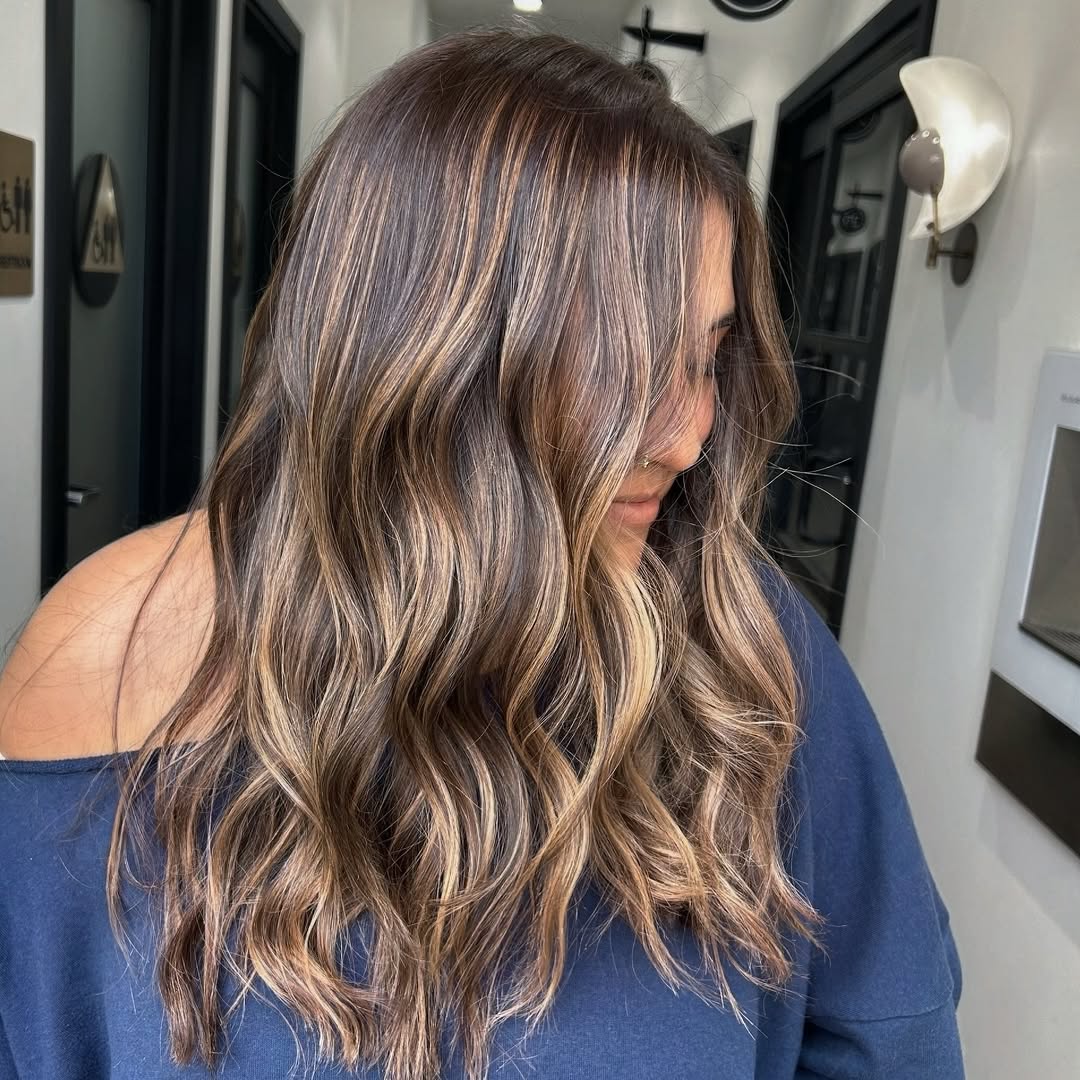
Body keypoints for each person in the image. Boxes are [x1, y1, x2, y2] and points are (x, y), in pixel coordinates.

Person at [0, 29, 963, 1080]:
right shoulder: (104, 663)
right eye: (625, 367)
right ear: (422, 361)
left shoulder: (739, 643)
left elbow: (889, 1038)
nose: (689, 437)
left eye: (705, 359)